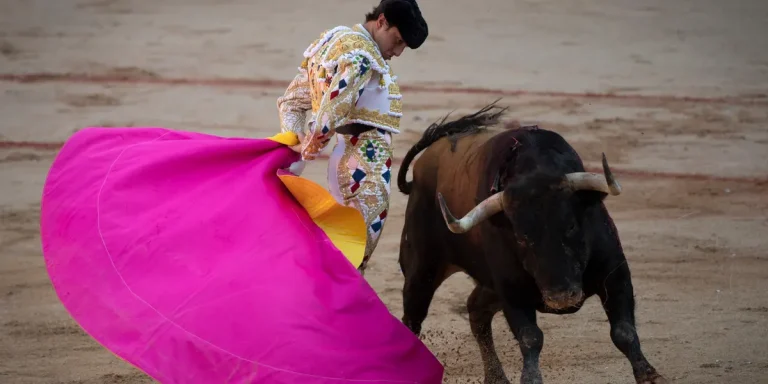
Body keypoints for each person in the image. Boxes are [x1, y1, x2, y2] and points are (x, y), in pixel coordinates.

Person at [276, 0, 428, 275]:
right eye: (398, 40)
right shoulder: (361, 56)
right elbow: (334, 110)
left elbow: (291, 103)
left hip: (349, 157)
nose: (398, 51)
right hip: (363, 166)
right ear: (381, 21)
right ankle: (328, 312)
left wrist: (297, 138)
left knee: (348, 248)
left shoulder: (331, 40)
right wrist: (310, 144)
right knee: (355, 252)